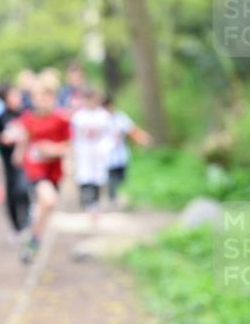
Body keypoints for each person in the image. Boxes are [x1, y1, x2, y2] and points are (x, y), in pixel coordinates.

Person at [10, 76, 71, 264]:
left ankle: (34, 236)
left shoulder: (62, 119)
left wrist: (53, 150)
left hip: (54, 169)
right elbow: (25, 140)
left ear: (52, 97)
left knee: (47, 206)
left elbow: (69, 146)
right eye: (35, 97)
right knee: (49, 200)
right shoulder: (29, 119)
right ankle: (33, 235)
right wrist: (19, 153)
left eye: (44, 96)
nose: (39, 101)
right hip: (35, 168)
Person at [70, 87, 114, 225]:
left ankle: (94, 206)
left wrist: (104, 148)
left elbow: (111, 135)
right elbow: (75, 136)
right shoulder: (78, 117)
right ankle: (88, 205)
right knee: (85, 179)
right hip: (84, 152)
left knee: (97, 180)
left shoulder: (104, 116)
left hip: (98, 152)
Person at [0, 83, 31, 239]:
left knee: (24, 189)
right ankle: (16, 226)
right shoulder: (1, 118)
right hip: (9, 161)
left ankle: (27, 222)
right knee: (12, 192)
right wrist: (3, 140)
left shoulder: (26, 115)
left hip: (25, 161)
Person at [103, 93, 152, 207]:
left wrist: (143, 138)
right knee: (111, 180)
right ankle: (112, 201)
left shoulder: (120, 117)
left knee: (122, 179)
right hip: (106, 156)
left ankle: (121, 201)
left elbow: (132, 130)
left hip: (120, 155)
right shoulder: (100, 118)